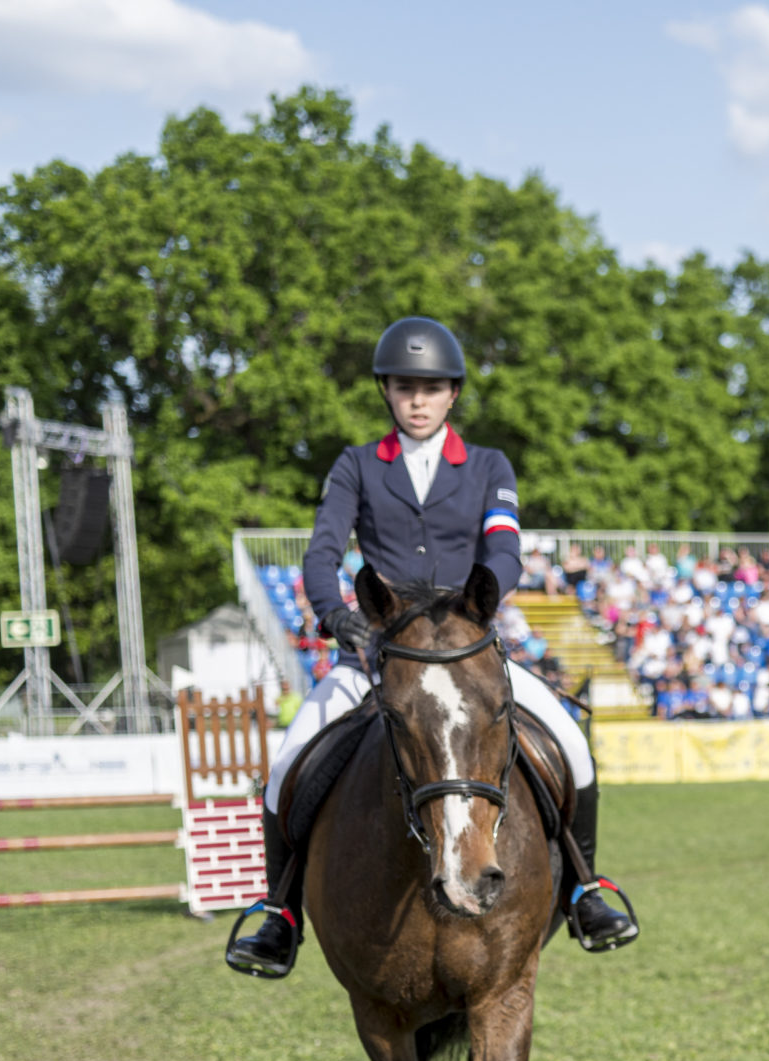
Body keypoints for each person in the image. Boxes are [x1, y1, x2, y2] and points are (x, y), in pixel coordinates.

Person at [225, 317, 639, 977]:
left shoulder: (488, 466)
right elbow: (323, 552)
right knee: (285, 767)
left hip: (467, 652)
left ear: (453, 394)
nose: (417, 400)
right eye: (404, 388)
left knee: (573, 746)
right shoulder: (357, 465)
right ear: (387, 392)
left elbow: (504, 549)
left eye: (431, 388)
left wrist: (478, 600)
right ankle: (281, 915)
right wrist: (338, 616)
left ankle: (586, 890)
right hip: (379, 655)